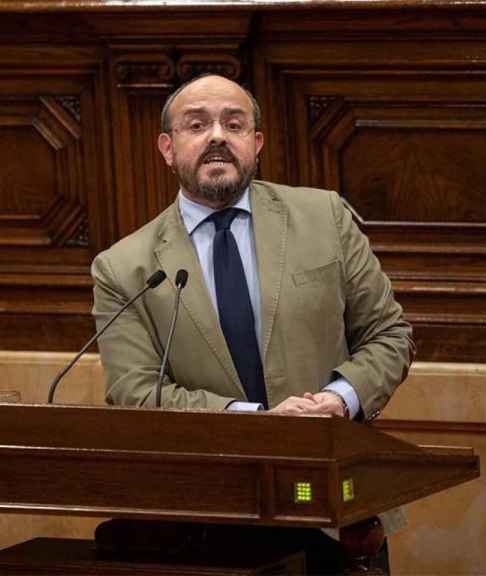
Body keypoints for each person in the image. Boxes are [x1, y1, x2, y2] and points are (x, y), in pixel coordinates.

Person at [91, 74, 415, 574]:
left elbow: (389, 335)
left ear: (256, 144)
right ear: (167, 148)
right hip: (205, 519)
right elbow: (136, 392)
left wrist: (338, 400)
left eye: (234, 123)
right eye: (196, 125)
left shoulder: (322, 216)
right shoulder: (124, 266)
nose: (217, 136)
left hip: (335, 508)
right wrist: (255, 424)